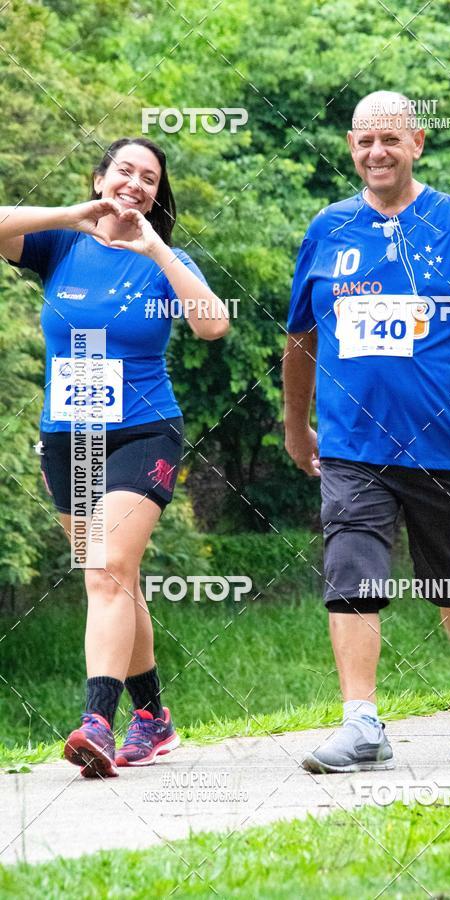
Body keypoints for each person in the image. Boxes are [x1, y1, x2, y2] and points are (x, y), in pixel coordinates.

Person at [283, 92, 450, 774]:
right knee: (351, 568)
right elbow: (301, 338)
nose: (376, 152)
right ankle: (361, 723)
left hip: (441, 445)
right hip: (351, 446)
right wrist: (296, 426)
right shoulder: (329, 229)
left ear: (416, 144)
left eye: (390, 140)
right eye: (363, 141)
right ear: (351, 148)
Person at [0, 137, 229, 777]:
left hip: (143, 433)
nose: (135, 183)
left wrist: (155, 246)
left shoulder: (165, 258)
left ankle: (97, 721)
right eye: (123, 170)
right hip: (69, 439)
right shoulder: (60, 246)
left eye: (149, 178)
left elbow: (213, 323)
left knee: (105, 572)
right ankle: (153, 720)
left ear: (157, 194)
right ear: (100, 177)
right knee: (115, 580)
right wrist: (73, 213)